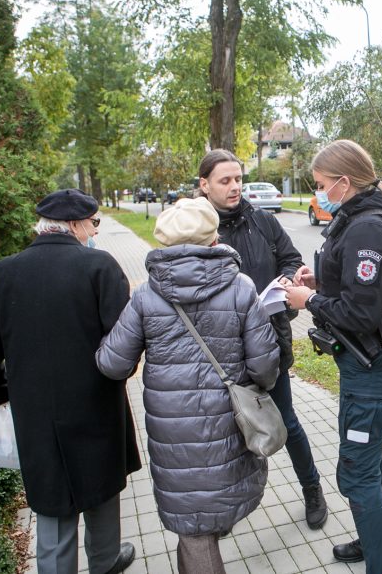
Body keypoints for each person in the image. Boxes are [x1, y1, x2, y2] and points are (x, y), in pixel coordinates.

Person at [96, 197, 280, 574]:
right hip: (228, 423)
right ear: (214, 238)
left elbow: (113, 364)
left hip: (173, 432)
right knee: (207, 517)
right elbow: (264, 366)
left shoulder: (147, 295)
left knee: (193, 524)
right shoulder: (241, 288)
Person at [0, 188, 140, 574]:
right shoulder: (100, 267)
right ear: (76, 225)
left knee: (52, 501)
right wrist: (121, 373)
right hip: (97, 403)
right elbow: (124, 341)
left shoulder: (6, 270)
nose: (94, 230)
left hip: (36, 410)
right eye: (93, 223)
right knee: (102, 492)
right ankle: (105, 562)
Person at [284, 139, 382, 573]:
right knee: (369, 456)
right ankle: (373, 542)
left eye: (323, 184)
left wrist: (309, 301)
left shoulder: (366, 227)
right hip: (365, 359)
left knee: (357, 472)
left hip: (372, 360)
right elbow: (359, 290)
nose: (319, 192)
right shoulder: (358, 215)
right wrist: (320, 280)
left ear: (344, 182)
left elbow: (361, 312)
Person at [197, 148, 330, 529]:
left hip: (269, 342)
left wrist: (288, 278)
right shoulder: (198, 228)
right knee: (225, 433)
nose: (235, 186)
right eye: (225, 180)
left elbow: (290, 257)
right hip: (220, 349)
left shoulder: (262, 221)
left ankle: (312, 490)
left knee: (286, 421)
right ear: (204, 185)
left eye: (238, 178)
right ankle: (225, 510)